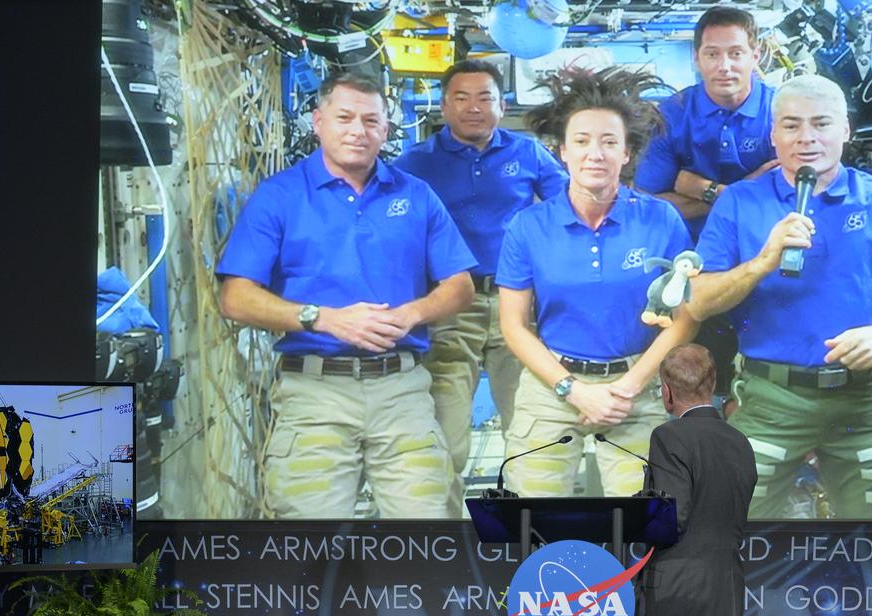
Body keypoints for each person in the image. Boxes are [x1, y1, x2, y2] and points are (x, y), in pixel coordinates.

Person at [216, 72, 476, 519]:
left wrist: (412, 313)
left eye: (371, 121)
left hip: (402, 391)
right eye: (345, 118)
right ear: (319, 122)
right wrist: (325, 318)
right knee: (311, 541)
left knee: (425, 529)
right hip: (314, 394)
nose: (358, 130)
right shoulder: (279, 196)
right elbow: (235, 297)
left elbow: (460, 286)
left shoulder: (416, 196)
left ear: (386, 131)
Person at [690, 74, 872, 519]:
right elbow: (698, 302)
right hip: (771, 401)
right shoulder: (739, 203)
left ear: (845, 130)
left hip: (859, 403)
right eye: (791, 125)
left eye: (821, 123)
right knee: (732, 524)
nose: (806, 137)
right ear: (773, 135)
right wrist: (762, 262)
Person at [496, 67, 697, 497]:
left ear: (627, 153)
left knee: (650, 520)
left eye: (609, 142)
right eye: (582, 141)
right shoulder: (528, 227)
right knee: (530, 519)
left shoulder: (660, 219)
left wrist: (629, 386)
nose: (595, 154)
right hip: (551, 385)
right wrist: (573, 390)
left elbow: (685, 318)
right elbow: (513, 326)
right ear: (562, 151)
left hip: (637, 388)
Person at [394, 59, 569, 516]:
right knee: (445, 436)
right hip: (451, 306)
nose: (474, 107)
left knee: (531, 431)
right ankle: (447, 538)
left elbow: (569, 206)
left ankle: (528, 536)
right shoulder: (415, 163)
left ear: (502, 105)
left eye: (485, 97)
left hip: (517, 303)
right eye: (462, 97)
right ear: (444, 106)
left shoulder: (528, 153)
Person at [634, 7, 779, 405]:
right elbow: (650, 207)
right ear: (696, 58)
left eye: (736, 53)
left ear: (756, 55)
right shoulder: (671, 116)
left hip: (764, 269)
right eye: (712, 54)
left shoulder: (780, 113)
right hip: (688, 270)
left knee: (759, 393)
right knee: (695, 393)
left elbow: (784, 202)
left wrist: (693, 185)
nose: (724, 65)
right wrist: (731, 193)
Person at [626, 344, 756, 616]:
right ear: (713, 384)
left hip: (672, 606)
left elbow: (673, 517)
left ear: (666, 392)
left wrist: (638, 511)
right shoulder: (740, 441)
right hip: (721, 606)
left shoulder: (669, 437)